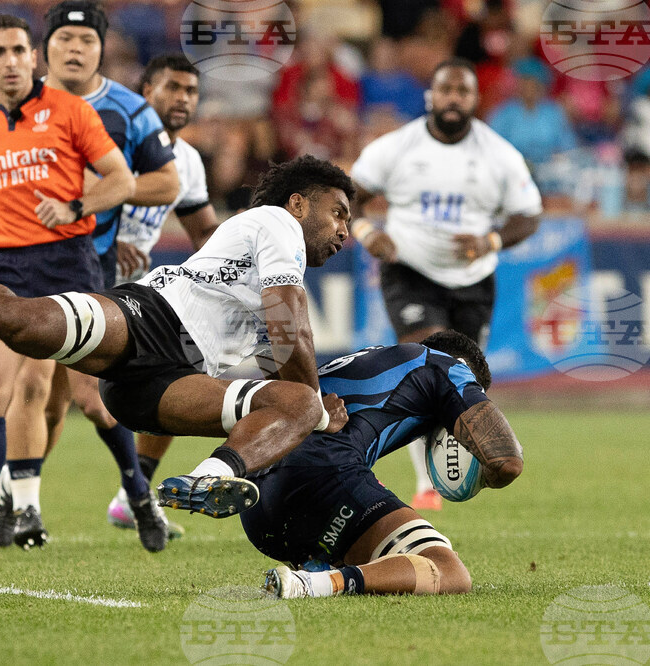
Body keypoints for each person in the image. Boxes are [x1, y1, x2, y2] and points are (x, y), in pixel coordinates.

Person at [0, 155, 353, 532]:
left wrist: (308, 408)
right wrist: (318, 409)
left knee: (298, 403)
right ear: (300, 203)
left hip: (166, 386)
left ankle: (208, 480)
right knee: (23, 323)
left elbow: (278, 380)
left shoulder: (274, 271)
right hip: (151, 316)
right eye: (339, 213)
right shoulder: (277, 222)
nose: (345, 231)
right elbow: (291, 329)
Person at [0, 2, 181, 555]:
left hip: (74, 268)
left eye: (18, 51)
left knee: (88, 399)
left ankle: (134, 495)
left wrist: (75, 203)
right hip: (5, 268)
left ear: (34, 58)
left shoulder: (81, 112)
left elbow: (130, 180)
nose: (10, 62)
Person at [348, 57, 541, 511]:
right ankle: (426, 483)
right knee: (423, 362)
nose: (454, 98)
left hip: (472, 279)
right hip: (410, 270)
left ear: (475, 100)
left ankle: (452, 466)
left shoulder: (498, 153)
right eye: (446, 90)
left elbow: (529, 215)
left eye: (463, 91)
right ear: (430, 96)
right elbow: (348, 193)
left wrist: (491, 239)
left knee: (460, 376)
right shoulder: (396, 147)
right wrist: (366, 232)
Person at [245, 331, 523, 598]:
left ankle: (320, 566)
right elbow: (506, 463)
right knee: (446, 569)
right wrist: (483, 477)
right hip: (321, 471)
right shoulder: (448, 367)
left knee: (398, 557)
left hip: (256, 503)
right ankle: (318, 583)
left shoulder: (380, 359)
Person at [101, 53, 218, 533]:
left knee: (179, 375)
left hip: (133, 296)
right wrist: (112, 239)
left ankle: (136, 494)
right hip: (81, 276)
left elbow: (204, 233)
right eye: (172, 87)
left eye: (191, 91)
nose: (182, 98)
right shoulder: (116, 142)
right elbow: (72, 199)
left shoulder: (186, 161)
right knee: (45, 397)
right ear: (146, 91)